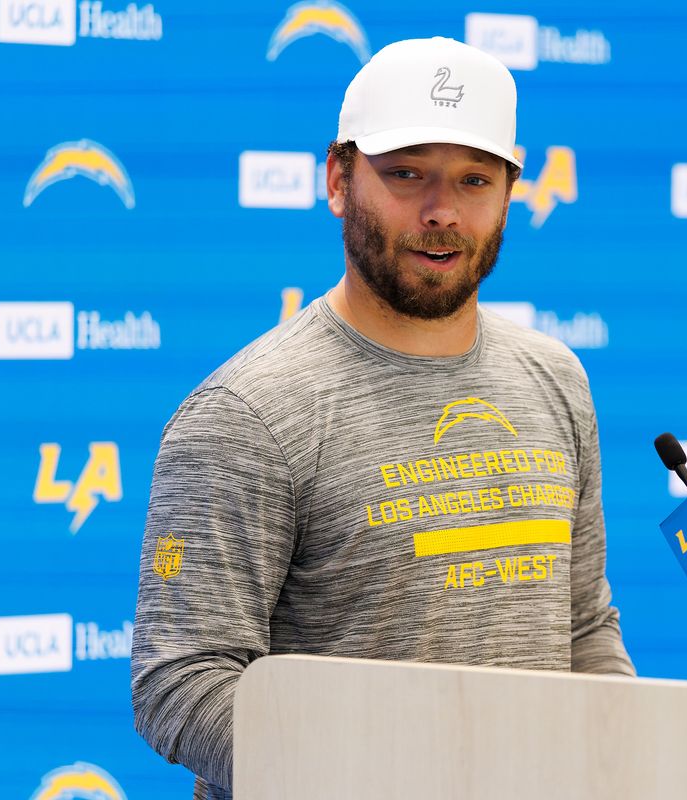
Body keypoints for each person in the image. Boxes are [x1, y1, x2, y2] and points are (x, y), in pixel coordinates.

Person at [131, 36, 634, 799]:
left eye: (473, 179)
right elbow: (181, 683)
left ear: (509, 192)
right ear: (338, 178)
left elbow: (585, 630)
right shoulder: (247, 413)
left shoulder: (555, 379)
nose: (441, 212)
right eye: (406, 175)